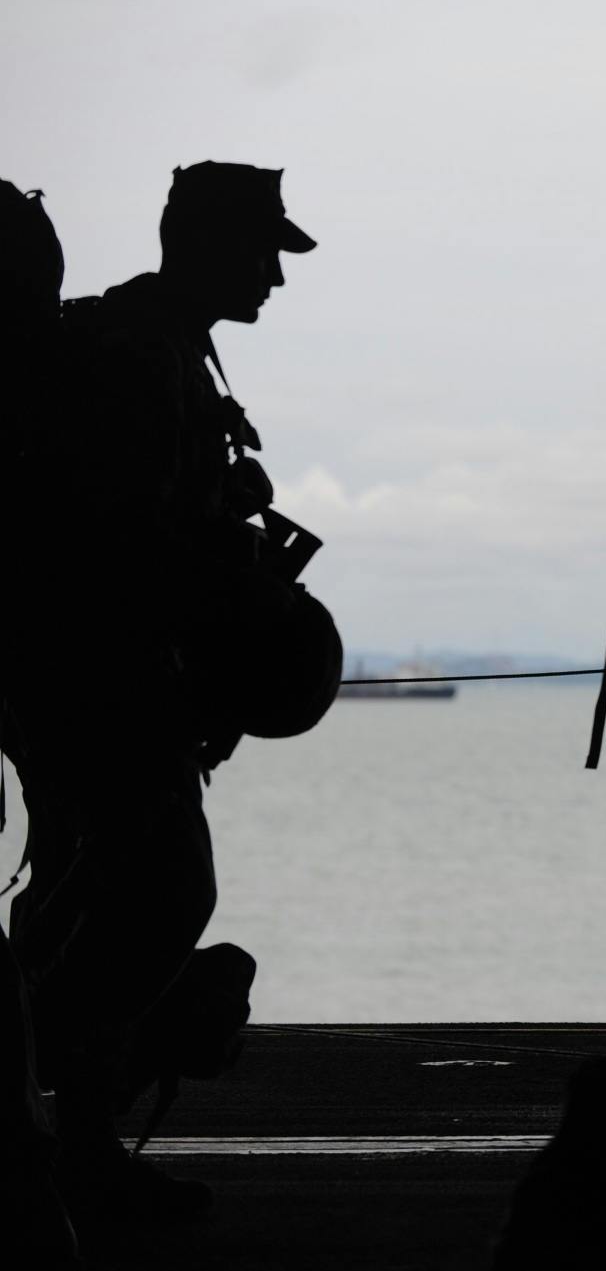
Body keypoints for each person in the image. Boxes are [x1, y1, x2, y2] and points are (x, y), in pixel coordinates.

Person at [3, 161, 313, 1224]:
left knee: (78, 897)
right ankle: (75, 1142)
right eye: (263, 248)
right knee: (162, 892)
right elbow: (124, 540)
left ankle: (59, 1143)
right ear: (205, 244)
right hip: (99, 677)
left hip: (77, 677)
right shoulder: (144, 356)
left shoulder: (162, 345)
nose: (276, 272)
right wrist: (237, 592)